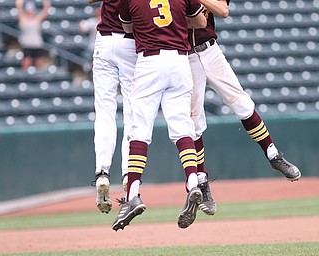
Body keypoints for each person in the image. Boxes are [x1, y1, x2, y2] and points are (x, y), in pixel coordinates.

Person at [188, 0, 302, 216]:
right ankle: (202, 181)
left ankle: (273, 155)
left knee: (242, 103)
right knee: (194, 122)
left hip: (211, 51)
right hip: (185, 56)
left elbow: (223, 10)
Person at [112, 0, 207, 231]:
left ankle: (132, 194)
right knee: (183, 128)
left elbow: (127, 28)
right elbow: (199, 21)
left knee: (139, 132)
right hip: (179, 60)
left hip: (150, 61)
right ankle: (193, 182)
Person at [88, 0, 137, 215]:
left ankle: (102, 172)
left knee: (104, 111)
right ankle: (128, 173)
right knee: (132, 113)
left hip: (105, 41)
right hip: (130, 42)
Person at [15, 0, 50, 70]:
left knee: (40, 65)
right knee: (26, 64)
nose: (30, 11)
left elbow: (46, 11)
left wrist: (46, 2)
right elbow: (19, 9)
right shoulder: (23, 19)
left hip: (37, 45)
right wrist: (19, 3)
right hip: (27, 45)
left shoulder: (37, 19)